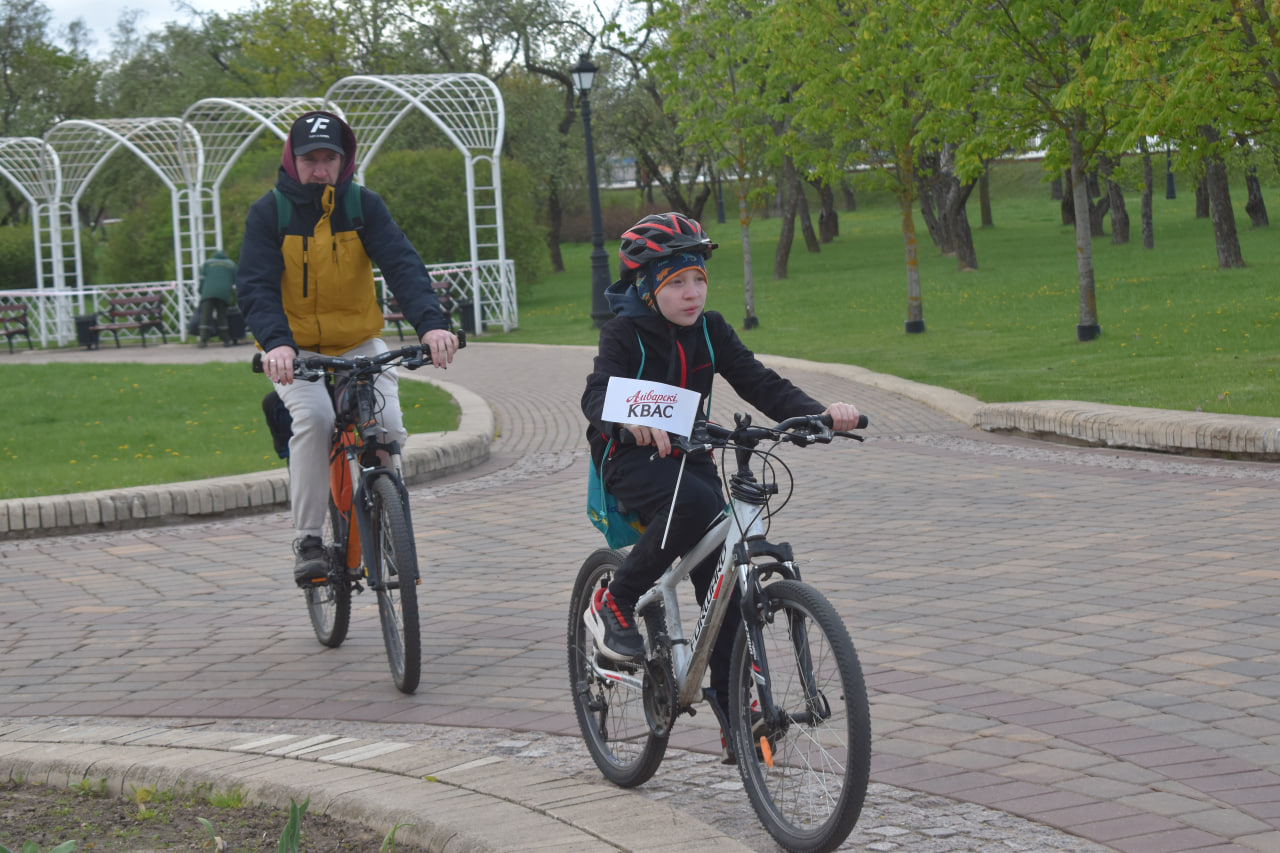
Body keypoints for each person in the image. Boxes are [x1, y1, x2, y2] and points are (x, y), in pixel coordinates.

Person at [580, 212, 860, 760]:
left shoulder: (712, 329)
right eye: (676, 283)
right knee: (698, 502)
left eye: (699, 280)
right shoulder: (624, 333)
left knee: (725, 589)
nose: (692, 293)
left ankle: (738, 724)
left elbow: (759, 382)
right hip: (632, 460)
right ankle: (616, 599)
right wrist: (628, 420)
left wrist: (819, 414)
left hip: (691, 456)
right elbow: (597, 394)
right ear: (647, 287)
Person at [238, 110, 458, 584]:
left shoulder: (363, 206)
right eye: (310, 159)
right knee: (315, 419)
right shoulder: (268, 212)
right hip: (296, 352)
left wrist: (432, 327)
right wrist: (277, 344)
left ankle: (391, 532)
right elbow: (255, 285)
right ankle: (310, 539)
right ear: (292, 161)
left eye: (329, 159)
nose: (320, 169)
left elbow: (402, 264)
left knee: (389, 427)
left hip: (359, 342)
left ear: (344, 161)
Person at [196, 249, 237, 347]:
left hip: (208, 293)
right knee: (222, 316)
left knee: (206, 316)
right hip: (224, 294)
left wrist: (201, 292)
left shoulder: (207, 263)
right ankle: (226, 340)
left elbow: (202, 279)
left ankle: (203, 340)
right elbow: (235, 279)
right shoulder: (231, 264)